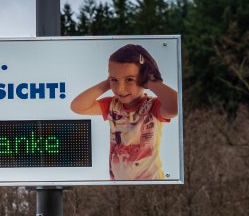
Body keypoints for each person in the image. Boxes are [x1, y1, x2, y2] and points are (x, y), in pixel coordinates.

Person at [70, 43, 178, 180]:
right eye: (114, 80)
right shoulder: (112, 105)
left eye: (129, 80)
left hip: (151, 185)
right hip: (119, 187)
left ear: (144, 78)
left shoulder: (152, 106)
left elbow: (176, 106)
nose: (120, 89)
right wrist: (106, 83)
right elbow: (78, 107)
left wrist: (152, 81)